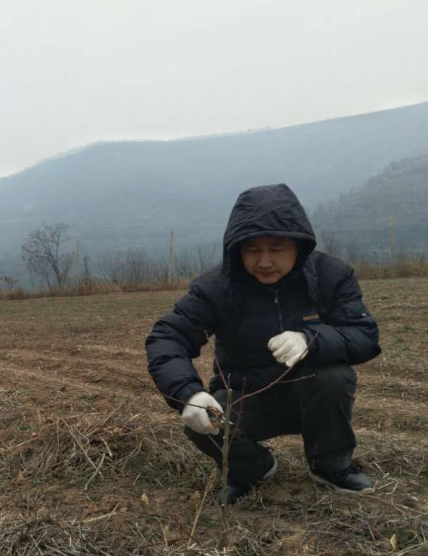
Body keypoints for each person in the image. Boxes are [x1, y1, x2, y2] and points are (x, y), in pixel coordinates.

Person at [146, 184, 380, 505]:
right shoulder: (217, 288)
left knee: (334, 376)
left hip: (312, 395)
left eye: (277, 248)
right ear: (236, 249)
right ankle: (251, 469)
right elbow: (167, 336)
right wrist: (188, 394)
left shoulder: (330, 275)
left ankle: (330, 466)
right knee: (204, 421)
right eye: (253, 249)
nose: (265, 261)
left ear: (299, 244)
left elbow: (363, 335)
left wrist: (310, 339)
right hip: (246, 397)